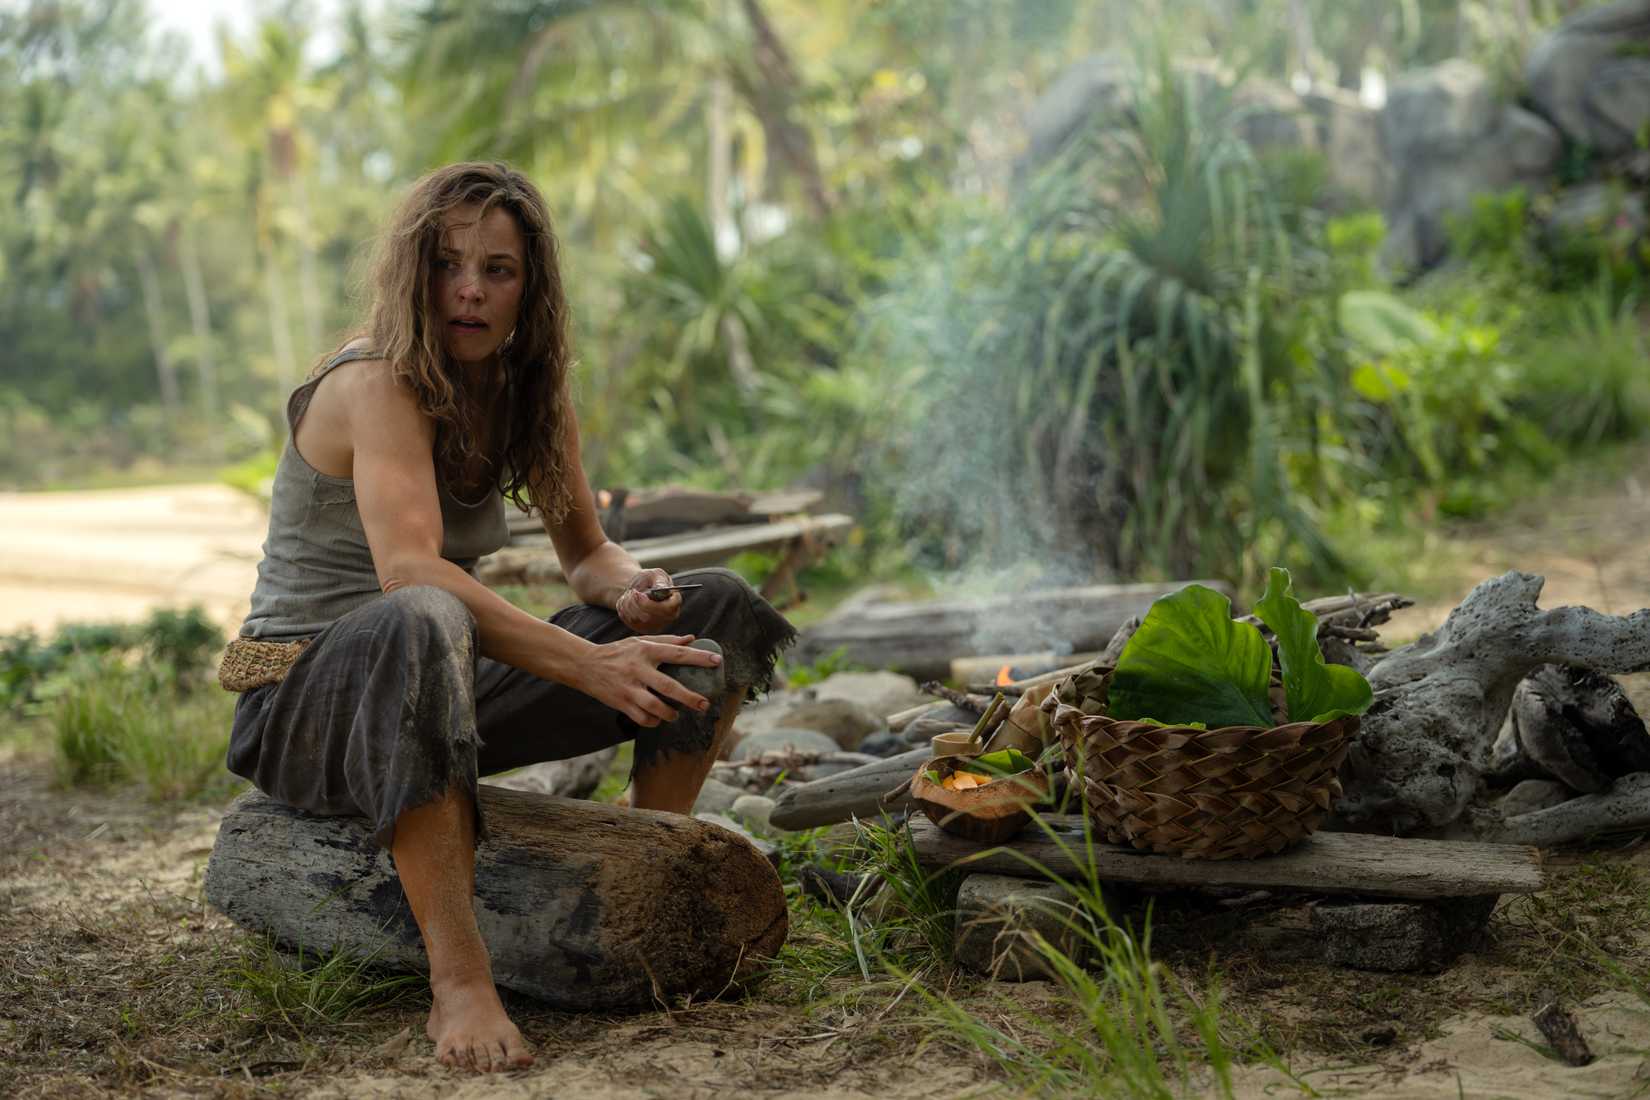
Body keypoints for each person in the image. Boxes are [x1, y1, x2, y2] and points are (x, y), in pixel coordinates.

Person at [220, 162, 796, 1073]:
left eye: (498, 270)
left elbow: (587, 555)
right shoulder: (377, 382)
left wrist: (634, 590)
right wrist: (588, 662)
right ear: (414, 273)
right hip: (302, 707)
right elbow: (411, 569)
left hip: (433, 688)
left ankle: (644, 865)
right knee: (419, 612)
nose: (470, 292)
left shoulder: (530, 391)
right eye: (448, 265)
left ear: (532, 285)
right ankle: (460, 982)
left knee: (716, 606)